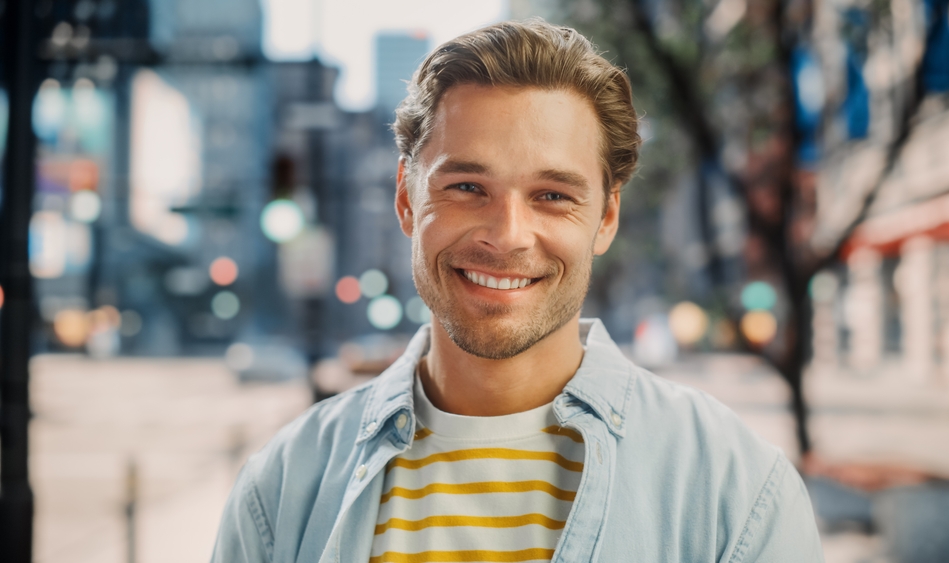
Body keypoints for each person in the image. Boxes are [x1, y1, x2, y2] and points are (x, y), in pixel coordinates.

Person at [212, 19, 824, 563]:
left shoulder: (735, 492)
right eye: (467, 187)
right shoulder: (283, 488)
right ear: (406, 197)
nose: (507, 237)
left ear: (606, 218)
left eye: (552, 196)